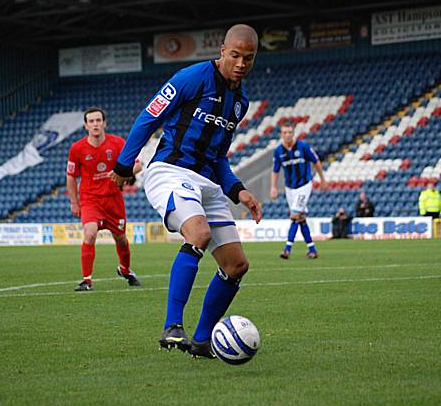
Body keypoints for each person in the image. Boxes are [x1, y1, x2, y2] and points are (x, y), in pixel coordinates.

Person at [109, 24, 262, 359]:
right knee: (199, 233)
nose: (240, 63)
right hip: (170, 172)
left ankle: (202, 339)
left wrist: (238, 191)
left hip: (206, 183)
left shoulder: (240, 102)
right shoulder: (191, 78)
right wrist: (123, 165)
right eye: (234, 55)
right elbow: (148, 118)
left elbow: (219, 155)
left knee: (237, 265)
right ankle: (172, 326)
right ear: (222, 50)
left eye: (247, 58)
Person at [66, 107, 142, 292]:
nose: (95, 124)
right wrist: (74, 202)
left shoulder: (118, 143)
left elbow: (138, 165)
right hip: (90, 199)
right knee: (90, 232)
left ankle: (125, 270)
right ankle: (86, 280)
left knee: (121, 239)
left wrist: (121, 172)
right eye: (91, 121)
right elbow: (71, 176)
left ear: (104, 123)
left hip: (113, 199)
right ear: (86, 126)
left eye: (98, 120)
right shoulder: (77, 148)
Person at [270, 121, 328, 259]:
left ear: (293, 133)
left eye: (290, 132)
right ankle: (312, 250)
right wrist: (273, 187)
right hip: (290, 188)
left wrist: (323, 179)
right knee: (300, 219)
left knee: (294, 215)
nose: (288, 135)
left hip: (304, 185)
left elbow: (316, 161)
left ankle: (287, 249)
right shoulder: (278, 151)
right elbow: (275, 170)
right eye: (285, 132)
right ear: (281, 134)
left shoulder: (303, 146)